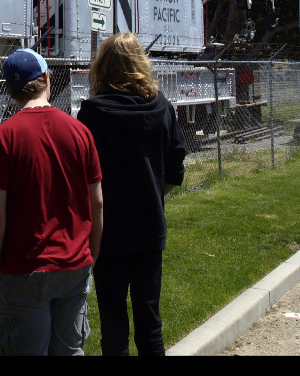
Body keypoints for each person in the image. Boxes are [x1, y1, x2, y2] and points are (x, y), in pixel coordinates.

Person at [0, 48, 103, 356]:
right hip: (74, 264)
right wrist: (90, 256)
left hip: (23, 270)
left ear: (9, 89)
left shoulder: (1, 139)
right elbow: (97, 203)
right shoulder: (80, 133)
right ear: (46, 79)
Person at [78, 32, 186, 356]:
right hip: (149, 227)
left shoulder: (93, 113)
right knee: (150, 324)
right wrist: (154, 192)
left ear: (104, 66)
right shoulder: (162, 107)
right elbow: (176, 168)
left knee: (113, 327)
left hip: (107, 232)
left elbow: (83, 177)